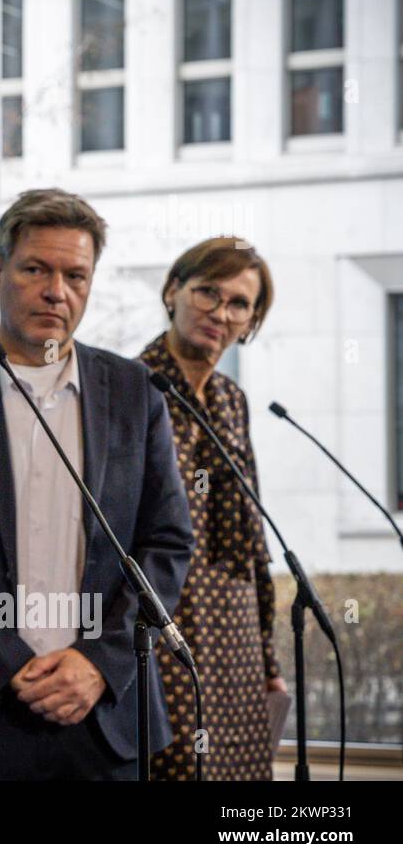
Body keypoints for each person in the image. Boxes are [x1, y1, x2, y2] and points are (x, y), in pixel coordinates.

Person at [0, 188, 193, 780]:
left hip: (103, 717)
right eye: (35, 269)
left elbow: (166, 542)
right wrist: (6, 664)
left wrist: (99, 662)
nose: (57, 291)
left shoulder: (136, 391)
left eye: (76, 275)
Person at [141, 236, 286, 780]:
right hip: (168, 631)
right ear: (173, 291)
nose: (220, 314)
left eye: (239, 304)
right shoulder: (134, 387)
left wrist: (268, 661)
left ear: (251, 320)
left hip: (239, 639)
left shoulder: (232, 399)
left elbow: (253, 542)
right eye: (207, 293)